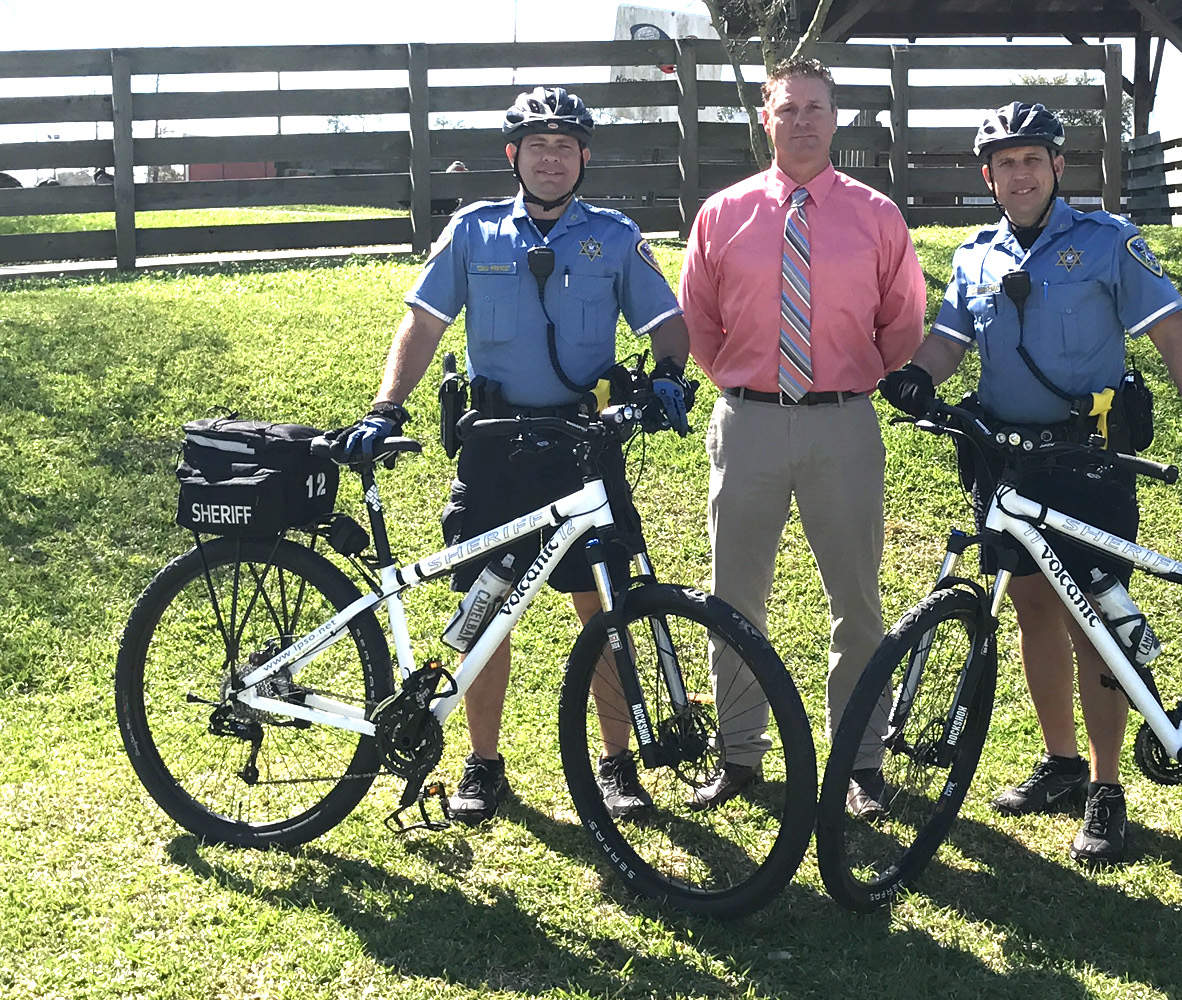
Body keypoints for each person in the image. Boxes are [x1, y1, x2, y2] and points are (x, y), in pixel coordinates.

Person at [878, 102, 1182, 864]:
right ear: (989, 176)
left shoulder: (1108, 242)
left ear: (1057, 168)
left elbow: (1172, 333)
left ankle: (1108, 788)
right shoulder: (976, 255)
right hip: (1006, 466)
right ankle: (1062, 764)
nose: (1019, 173)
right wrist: (916, 376)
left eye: (1032, 159)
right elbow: (948, 340)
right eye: (1004, 163)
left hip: (1088, 466)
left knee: (1094, 623)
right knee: (1033, 609)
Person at [337, 87, 693, 826]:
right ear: (514, 156)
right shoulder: (473, 234)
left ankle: (617, 763)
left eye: (566, 145)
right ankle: (484, 764)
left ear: (585, 156)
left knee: (604, 610)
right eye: (538, 145)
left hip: (583, 449)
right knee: (485, 613)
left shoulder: (615, 237)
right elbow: (423, 326)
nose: (553, 157)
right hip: (494, 449)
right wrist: (385, 406)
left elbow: (667, 322)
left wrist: (665, 379)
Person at [678, 57, 925, 818]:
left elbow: (904, 322)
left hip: (844, 425)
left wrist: (846, 384)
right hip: (747, 422)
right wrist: (749, 385)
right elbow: (698, 323)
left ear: (837, 117)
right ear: (765, 118)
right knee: (733, 599)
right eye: (788, 109)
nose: (804, 121)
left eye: (817, 108)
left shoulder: (877, 215)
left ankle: (859, 762)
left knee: (856, 602)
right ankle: (741, 754)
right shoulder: (722, 214)